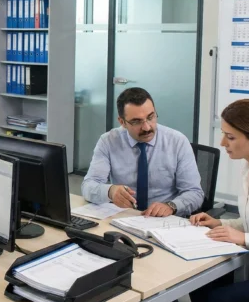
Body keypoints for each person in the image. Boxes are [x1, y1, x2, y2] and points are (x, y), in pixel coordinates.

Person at [82, 87, 204, 217]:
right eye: (136, 122)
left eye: (150, 117)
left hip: (165, 220)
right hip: (124, 217)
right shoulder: (108, 141)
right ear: (122, 122)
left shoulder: (177, 141)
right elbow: (88, 186)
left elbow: (194, 193)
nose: (146, 127)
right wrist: (110, 191)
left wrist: (171, 206)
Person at [189, 99, 249, 302]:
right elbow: (247, 221)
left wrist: (244, 238)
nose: (223, 143)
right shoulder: (247, 167)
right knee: (201, 287)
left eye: (230, 137)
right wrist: (218, 223)